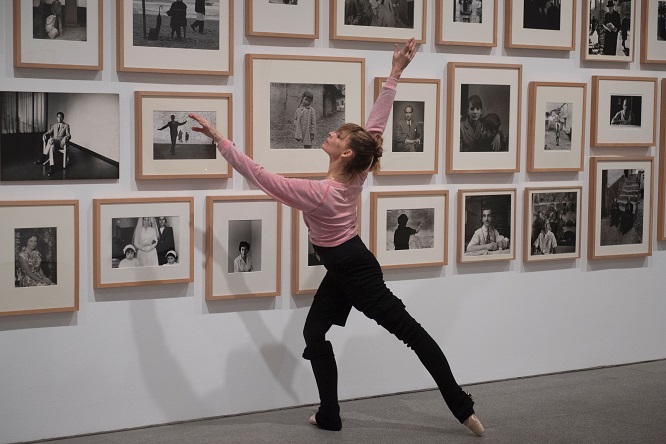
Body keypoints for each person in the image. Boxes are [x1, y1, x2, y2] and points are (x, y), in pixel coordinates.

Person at [189, 38, 485, 437]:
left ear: (345, 154)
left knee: (412, 334)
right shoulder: (356, 172)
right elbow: (375, 129)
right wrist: (394, 74)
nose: (331, 134)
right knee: (314, 333)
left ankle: (462, 408)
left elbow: (262, 177)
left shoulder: (322, 192)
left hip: (356, 272)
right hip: (345, 265)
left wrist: (221, 140)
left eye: (339, 137)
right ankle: (330, 415)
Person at [37, 111, 70, 176]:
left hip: (60, 143)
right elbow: (49, 132)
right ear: (56, 118)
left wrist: (65, 138)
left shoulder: (66, 125)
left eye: (61, 117)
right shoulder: (54, 125)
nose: (59, 118)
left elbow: (69, 135)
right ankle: (52, 167)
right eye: (58, 117)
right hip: (53, 143)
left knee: (50, 140)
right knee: (51, 147)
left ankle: (43, 157)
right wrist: (45, 134)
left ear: (63, 118)